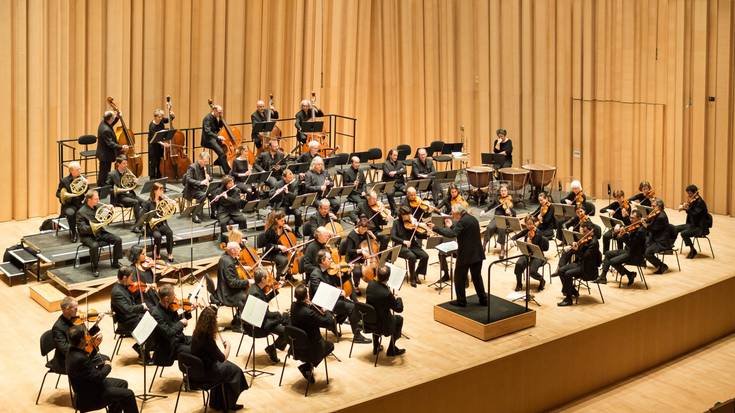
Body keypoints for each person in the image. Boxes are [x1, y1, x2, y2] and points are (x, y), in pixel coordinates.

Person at [66, 325, 139, 413]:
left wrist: (94, 346)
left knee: (122, 384)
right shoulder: (79, 358)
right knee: (128, 394)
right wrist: (107, 366)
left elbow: (87, 363)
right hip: (90, 397)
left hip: (88, 387)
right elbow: (99, 376)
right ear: (81, 340)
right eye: (86, 335)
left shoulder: (72, 351)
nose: (88, 336)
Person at [191, 306, 248, 411]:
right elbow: (222, 358)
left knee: (229, 368)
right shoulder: (207, 339)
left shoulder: (196, 333)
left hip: (198, 371)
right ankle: (229, 404)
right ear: (211, 323)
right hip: (207, 373)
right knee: (236, 371)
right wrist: (228, 347)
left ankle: (217, 402)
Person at [308, 249, 371, 343]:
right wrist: (338, 292)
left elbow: (337, 281)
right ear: (322, 261)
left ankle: (333, 323)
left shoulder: (329, 270)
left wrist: (347, 273)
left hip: (331, 298)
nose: (332, 261)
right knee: (352, 307)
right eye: (329, 259)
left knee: (352, 305)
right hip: (322, 302)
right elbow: (319, 292)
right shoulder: (315, 275)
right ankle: (357, 336)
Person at [432, 204, 488, 307]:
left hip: (466, 255)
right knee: (477, 277)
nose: (452, 216)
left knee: (458, 277)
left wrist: (435, 228)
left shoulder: (462, 221)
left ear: (458, 213)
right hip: (477, 253)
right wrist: (452, 226)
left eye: (453, 214)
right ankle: (483, 300)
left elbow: (452, 234)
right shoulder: (472, 219)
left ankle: (461, 301)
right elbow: (461, 231)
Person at [290, 284, 335, 383]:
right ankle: (307, 366)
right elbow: (327, 322)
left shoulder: (293, 306)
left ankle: (307, 367)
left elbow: (308, 315)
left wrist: (309, 305)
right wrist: (327, 311)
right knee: (330, 346)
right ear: (306, 297)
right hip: (311, 347)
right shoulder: (308, 313)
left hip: (297, 346)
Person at [51, 296, 109, 373]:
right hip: (66, 361)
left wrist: (96, 324)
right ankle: (86, 383)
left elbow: (85, 335)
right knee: (91, 367)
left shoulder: (77, 320)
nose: (77, 310)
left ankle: (94, 381)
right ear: (67, 309)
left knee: (105, 359)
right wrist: (87, 345)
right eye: (75, 308)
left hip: (81, 355)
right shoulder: (58, 328)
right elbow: (65, 350)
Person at [247, 268, 289, 363]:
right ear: (262, 279)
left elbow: (264, 300)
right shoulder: (256, 293)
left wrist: (276, 290)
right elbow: (265, 314)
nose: (269, 279)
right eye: (267, 277)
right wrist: (278, 312)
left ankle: (287, 340)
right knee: (287, 330)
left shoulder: (255, 288)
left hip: (261, 320)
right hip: (258, 326)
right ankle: (273, 348)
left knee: (287, 317)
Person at [76, 190, 123, 276]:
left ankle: (115, 262)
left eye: (98, 199)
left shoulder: (98, 207)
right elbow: (82, 229)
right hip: (87, 236)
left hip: (99, 232)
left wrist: (110, 211)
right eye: (96, 199)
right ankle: (95, 267)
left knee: (118, 239)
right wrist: (94, 227)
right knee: (94, 246)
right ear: (89, 200)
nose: (98, 201)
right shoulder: (81, 212)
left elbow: (107, 219)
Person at [595, 210, 647, 285]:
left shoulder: (641, 231)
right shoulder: (634, 226)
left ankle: (629, 274)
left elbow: (631, 245)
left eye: (633, 218)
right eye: (630, 217)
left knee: (612, 261)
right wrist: (619, 230)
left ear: (639, 218)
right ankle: (603, 277)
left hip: (636, 255)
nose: (630, 220)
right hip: (629, 251)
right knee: (607, 254)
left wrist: (624, 235)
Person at [557, 221, 602, 306]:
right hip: (581, 264)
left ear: (591, 230)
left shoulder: (594, 243)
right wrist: (574, 245)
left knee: (567, 274)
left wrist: (577, 250)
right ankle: (572, 291)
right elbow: (581, 254)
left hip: (588, 268)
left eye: (585, 232)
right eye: (582, 231)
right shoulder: (586, 239)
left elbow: (585, 256)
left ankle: (568, 299)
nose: (583, 234)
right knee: (561, 271)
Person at [366, 265, 405, 357]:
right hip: (383, 325)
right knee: (399, 319)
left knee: (375, 314)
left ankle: (376, 347)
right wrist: (398, 298)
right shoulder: (386, 294)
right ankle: (392, 349)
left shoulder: (370, 284)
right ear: (388, 278)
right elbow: (399, 309)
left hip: (369, 321)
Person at [110, 266, 148, 358]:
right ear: (124, 278)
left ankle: (146, 346)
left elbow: (130, 301)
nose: (132, 280)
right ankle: (141, 349)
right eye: (131, 277)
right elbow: (127, 310)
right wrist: (142, 306)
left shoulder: (124, 286)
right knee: (151, 326)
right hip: (126, 322)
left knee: (154, 319)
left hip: (132, 317)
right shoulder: (117, 292)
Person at [149, 284, 192, 364]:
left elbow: (177, 321)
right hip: (169, 347)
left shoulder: (170, 307)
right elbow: (168, 333)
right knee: (195, 350)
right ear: (166, 298)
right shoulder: (156, 314)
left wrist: (188, 312)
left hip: (179, 339)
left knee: (201, 341)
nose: (175, 296)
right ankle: (191, 374)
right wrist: (180, 323)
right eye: (173, 295)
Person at [214, 242, 250, 332]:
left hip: (223, 289)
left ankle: (237, 320)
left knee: (246, 294)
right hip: (227, 294)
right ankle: (239, 325)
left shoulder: (225, 257)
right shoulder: (229, 262)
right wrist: (247, 281)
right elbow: (232, 283)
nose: (240, 250)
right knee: (247, 297)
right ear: (233, 250)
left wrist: (242, 267)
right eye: (238, 249)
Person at [392, 206, 429, 287]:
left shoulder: (412, 223)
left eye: (409, 214)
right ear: (401, 215)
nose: (409, 216)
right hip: (400, 246)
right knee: (412, 257)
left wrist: (426, 235)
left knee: (425, 256)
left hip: (412, 245)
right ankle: (412, 278)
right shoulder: (396, 223)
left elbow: (418, 235)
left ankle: (416, 273)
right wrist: (403, 241)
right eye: (407, 214)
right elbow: (393, 237)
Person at [510, 216, 550, 292]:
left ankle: (542, 280)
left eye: (531, 224)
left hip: (538, 256)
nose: (529, 226)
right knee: (518, 264)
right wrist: (513, 240)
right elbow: (518, 235)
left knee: (532, 272)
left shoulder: (538, 233)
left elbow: (533, 247)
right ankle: (519, 284)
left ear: (534, 223)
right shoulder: (527, 231)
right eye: (527, 224)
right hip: (527, 254)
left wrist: (529, 241)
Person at [339, 216, 376, 295]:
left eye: (365, 229)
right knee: (357, 271)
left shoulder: (366, 232)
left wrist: (373, 236)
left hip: (365, 257)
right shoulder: (351, 236)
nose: (364, 231)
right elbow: (349, 251)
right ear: (358, 226)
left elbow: (373, 244)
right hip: (353, 257)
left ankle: (374, 284)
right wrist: (361, 251)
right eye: (362, 229)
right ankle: (356, 286)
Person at [107, 156, 144, 231]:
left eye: (126, 163)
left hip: (130, 194)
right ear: (118, 164)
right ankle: (137, 225)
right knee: (136, 202)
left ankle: (142, 222)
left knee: (145, 202)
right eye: (124, 163)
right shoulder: (112, 174)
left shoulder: (128, 172)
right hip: (119, 197)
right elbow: (108, 189)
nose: (126, 165)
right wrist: (119, 190)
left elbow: (133, 186)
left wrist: (136, 182)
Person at [141, 182, 174, 261]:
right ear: (155, 191)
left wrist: (171, 204)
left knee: (170, 233)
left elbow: (168, 212)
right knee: (157, 236)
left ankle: (170, 253)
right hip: (152, 226)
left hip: (162, 223)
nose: (162, 192)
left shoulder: (164, 201)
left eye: (162, 190)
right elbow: (143, 215)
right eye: (160, 190)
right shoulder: (148, 203)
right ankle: (157, 253)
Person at [676, 184, 711, 258]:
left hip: (700, 227)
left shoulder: (700, 202)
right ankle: (668, 247)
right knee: (675, 228)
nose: (688, 195)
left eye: (690, 193)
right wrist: (685, 206)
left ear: (695, 192)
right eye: (688, 193)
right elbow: (691, 211)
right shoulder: (693, 201)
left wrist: (686, 208)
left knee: (684, 233)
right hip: (692, 224)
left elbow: (695, 214)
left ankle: (692, 250)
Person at [56, 161, 87, 242]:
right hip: (69, 205)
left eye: (80, 169)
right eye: (78, 169)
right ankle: (73, 232)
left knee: (91, 209)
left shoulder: (83, 179)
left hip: (80, 203)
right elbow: (58, 193)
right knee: (70, 213)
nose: (80, 171)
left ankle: (86, 231)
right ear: (72, 171)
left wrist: (87, 185)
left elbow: (87, 191)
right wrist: (65, 195)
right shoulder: (64, 181)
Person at [257, 210, 293, 279]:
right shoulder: (270, 231)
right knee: (284, 260)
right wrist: (278, 246)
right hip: (271, 253)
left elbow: (291, 237)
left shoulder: (284, 228)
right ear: (276, 220)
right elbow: (268, 245)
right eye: (282, 221)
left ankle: (288, 275)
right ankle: (278, 278)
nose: (284, 222)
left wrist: (290, 229)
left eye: (284, 220)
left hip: (280, 252)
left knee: (292, 257)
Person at [482, 184, 515, 258]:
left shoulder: (510, 200)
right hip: (496, 218)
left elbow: (514, 213)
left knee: (502, 228)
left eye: (505, 191)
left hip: (505, 219)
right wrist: (484, 210)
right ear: (500, 192)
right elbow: (490, 205)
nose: (503, 192)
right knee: (490, 227)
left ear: (507, 191)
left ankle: (502, 249)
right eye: (502, 191)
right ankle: (483, 246)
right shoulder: (497, 199)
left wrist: (510, 212)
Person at [97, 110, 127, 188]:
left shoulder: (104, 122)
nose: (113, 119)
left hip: (105, 153)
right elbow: (110, 143)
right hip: (105, 154)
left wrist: (117, 117)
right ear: (110, 119)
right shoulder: (105, 129)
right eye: (113, 118)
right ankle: (102, 188)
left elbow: (111, 123)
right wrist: (121, 147)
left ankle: (104, 187)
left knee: (105, 172)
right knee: (104, 173)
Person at [643, 199, 674, 274]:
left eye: (653, 206)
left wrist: (645, 225)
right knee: (643, 244)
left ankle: (662, 265)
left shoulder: (661, 217)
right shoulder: (657, 214)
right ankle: (643, 261)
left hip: (661, 241)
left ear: (659, 207)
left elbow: (653, 229)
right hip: (656, 238)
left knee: (647, 253)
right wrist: (646, 220)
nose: (651, 207)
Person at [183, 151, 214, 223]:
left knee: (214, 193)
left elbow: (211, 177)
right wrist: (200, 182)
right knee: (203, 195)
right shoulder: (192, 167)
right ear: (200, 159)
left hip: (203, 188)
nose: (206, 163)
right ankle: (195, 215)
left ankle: (214, 212)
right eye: (205, 161)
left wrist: (209, 178)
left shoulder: (206, 166)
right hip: (193, 189)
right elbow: (188, 179)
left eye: (207, 161)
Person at [270, 168, 302, 235]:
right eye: (289, 178)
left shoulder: (295, 183)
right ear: (284, 178)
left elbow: (295, 197)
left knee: (298, 213)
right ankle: (285, 231)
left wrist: (288, 193)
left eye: (292, 177)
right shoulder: (278, 184)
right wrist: (277, 192)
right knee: (281, 215)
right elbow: (271, 195)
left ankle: (296, 230)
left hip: (291, 205)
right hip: (282, 205)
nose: (291, 179)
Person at [201, 104, 230, 174]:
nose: (220, 114)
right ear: (214, 110)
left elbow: (218, 128)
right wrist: (218, 137)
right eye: (219, 112)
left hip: (214, 138)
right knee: (221, 153)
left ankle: (218, 161)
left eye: (221, 112)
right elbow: (207, 131)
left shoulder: (215, 118)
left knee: (226, 149)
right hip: (208, 140)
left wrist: (221, 120)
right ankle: (227, 172)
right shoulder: (207, 118)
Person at [147, 108, 174, 180]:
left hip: (160, 146)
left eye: (161, 117)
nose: (161, 118)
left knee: (159, 161)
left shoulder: (161, 120)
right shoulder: (152, 126)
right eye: (159, 117)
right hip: (153, 146)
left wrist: (172, 116)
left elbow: (168, 120)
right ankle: (152, 179)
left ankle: (159, 177)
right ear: (155, 117)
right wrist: (163, 144)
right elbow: (154, 139)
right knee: (153, 163)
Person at [382, 148, 407, 213]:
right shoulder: (385, 164)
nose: (396, 157)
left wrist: (395, 172)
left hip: (400, 184)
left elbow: (404, 171)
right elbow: (389, 174)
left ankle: (405, 208)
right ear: (390, 155)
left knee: (409, 191)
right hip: (391, 184)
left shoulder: (399, 163)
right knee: (389, 194)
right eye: (394, 155)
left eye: (396, 155)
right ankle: (395, 210)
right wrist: (399, 172)